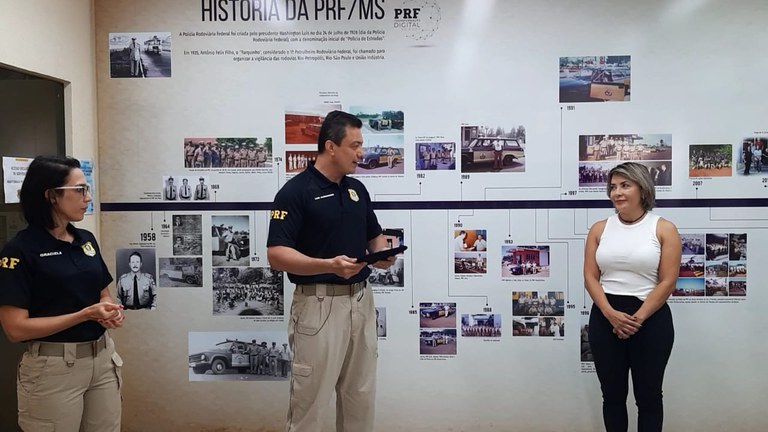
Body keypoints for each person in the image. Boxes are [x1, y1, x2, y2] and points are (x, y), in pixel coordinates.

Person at [267, 110, 395, 432]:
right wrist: (328, 266)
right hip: (318, 306)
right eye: (355, 145)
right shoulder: (295, 193)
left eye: (361, 144)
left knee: (360, 398)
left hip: (361, 304)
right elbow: (276, 255)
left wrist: (383, 255)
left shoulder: (357, 191)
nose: (361, 153)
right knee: (310, 405)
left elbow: (374, 238)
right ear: (331, 147)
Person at [0, 155, 125, 431]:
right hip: (54, 368)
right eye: (80, 190)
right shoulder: (20, 251)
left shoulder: (85, 240)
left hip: (103, 359)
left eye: (87, 189)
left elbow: (103, 293)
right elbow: (15, 329)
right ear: (51, 196)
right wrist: (83, 315)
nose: (88, 197)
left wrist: (107, 311)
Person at [583, 161, 681, 432]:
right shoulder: (599, 229)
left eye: (625, 185)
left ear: (642, 188)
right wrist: (610, 314)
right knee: (612, 398)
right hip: (606, 318)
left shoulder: (663, 228)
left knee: (649, 399)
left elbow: (668, 280)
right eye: (613, 187)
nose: (617, 193)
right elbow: (591, 277)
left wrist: (636, 319)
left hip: (650, 320)